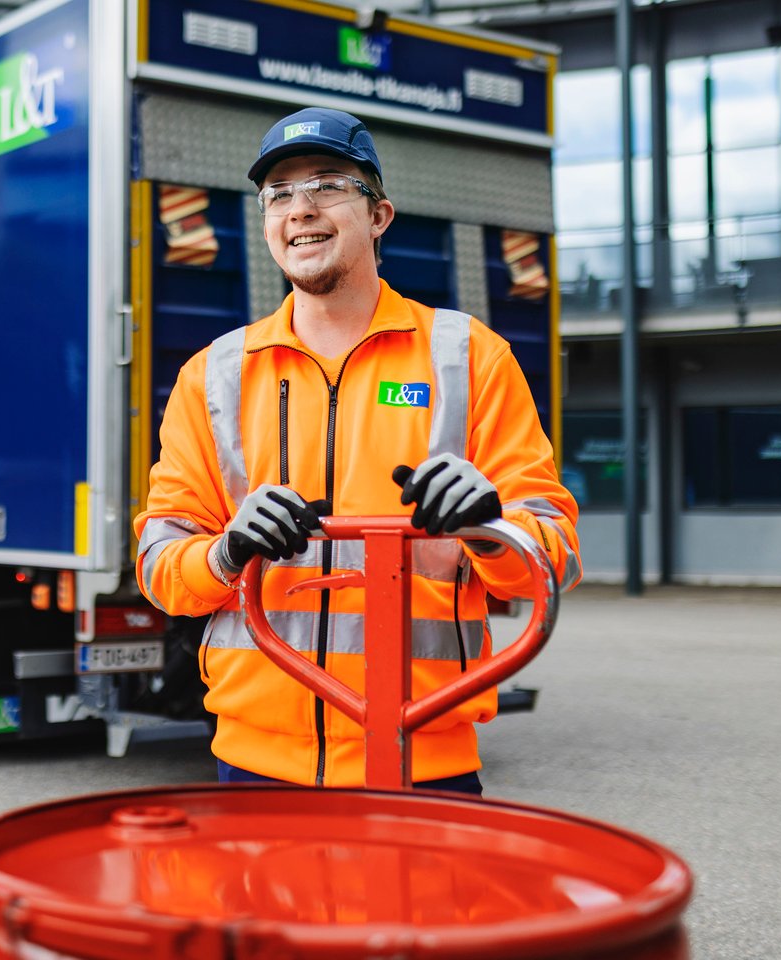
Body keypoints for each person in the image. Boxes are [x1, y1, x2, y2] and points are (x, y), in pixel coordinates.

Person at [134, 107, 581, 794]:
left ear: (379, 216)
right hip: (256, 765)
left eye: (327, 185)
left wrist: (489, 531)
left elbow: (552, 558)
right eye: (278, 194)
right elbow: (162, 568)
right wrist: (226, 552)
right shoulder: (216, 375)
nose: (300, 208)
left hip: (421, 752)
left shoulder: (467, 358)